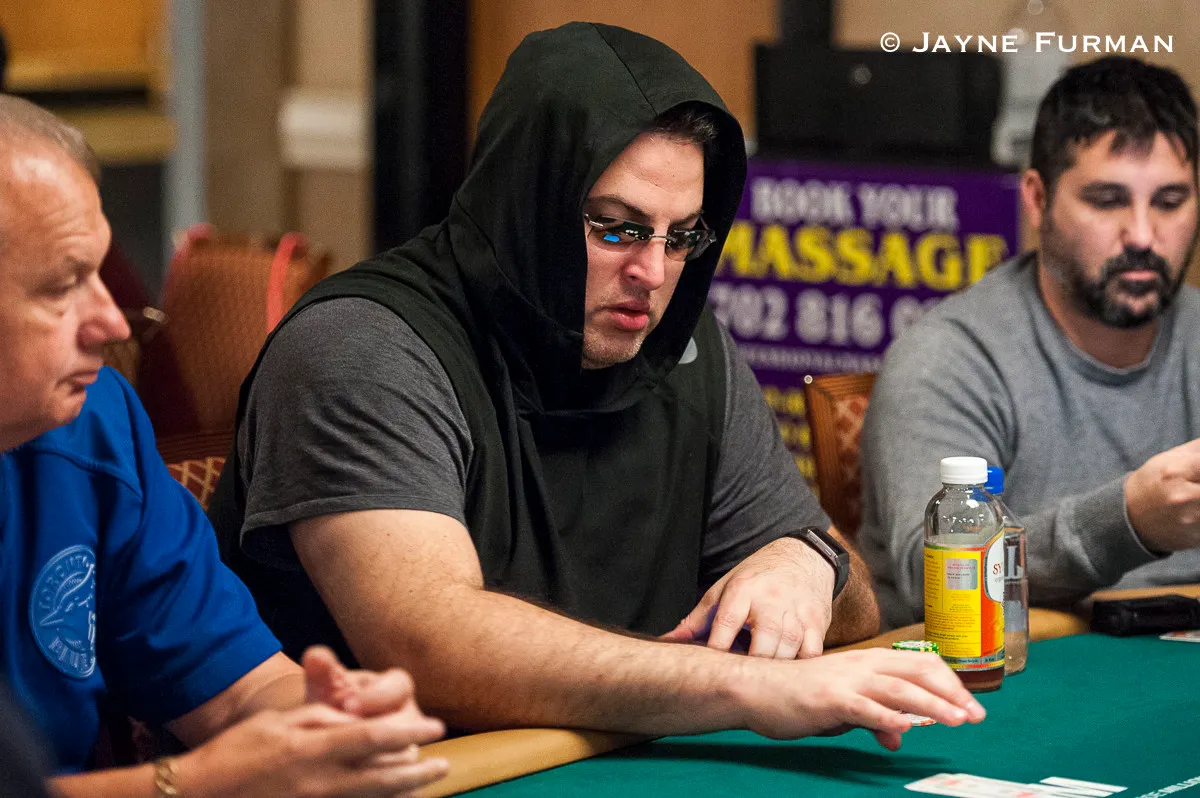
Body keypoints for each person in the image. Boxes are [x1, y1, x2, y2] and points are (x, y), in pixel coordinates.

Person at [211, 22, 985, 749]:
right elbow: (428, 649)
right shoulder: (362, 347)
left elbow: (856, 608)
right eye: (617, 227)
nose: (653, 273)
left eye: (681, 236)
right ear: (524, 205)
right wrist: (744, 686)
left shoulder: (685, 346)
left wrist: (807, 564)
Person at [0, 94, 450, 795]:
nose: (112, 323)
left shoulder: (95, 418)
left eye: (99, 274)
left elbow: (240, 688)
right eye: (63, 286)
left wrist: (327, 723)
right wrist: (191, 783)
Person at [859, 56, 1200, 629]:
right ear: (1038, 200)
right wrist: (1129, 521)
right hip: (1004, 668)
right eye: (1107, 200)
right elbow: (936, 571)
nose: (1143, 235)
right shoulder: (950, 357)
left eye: (1169, 202)